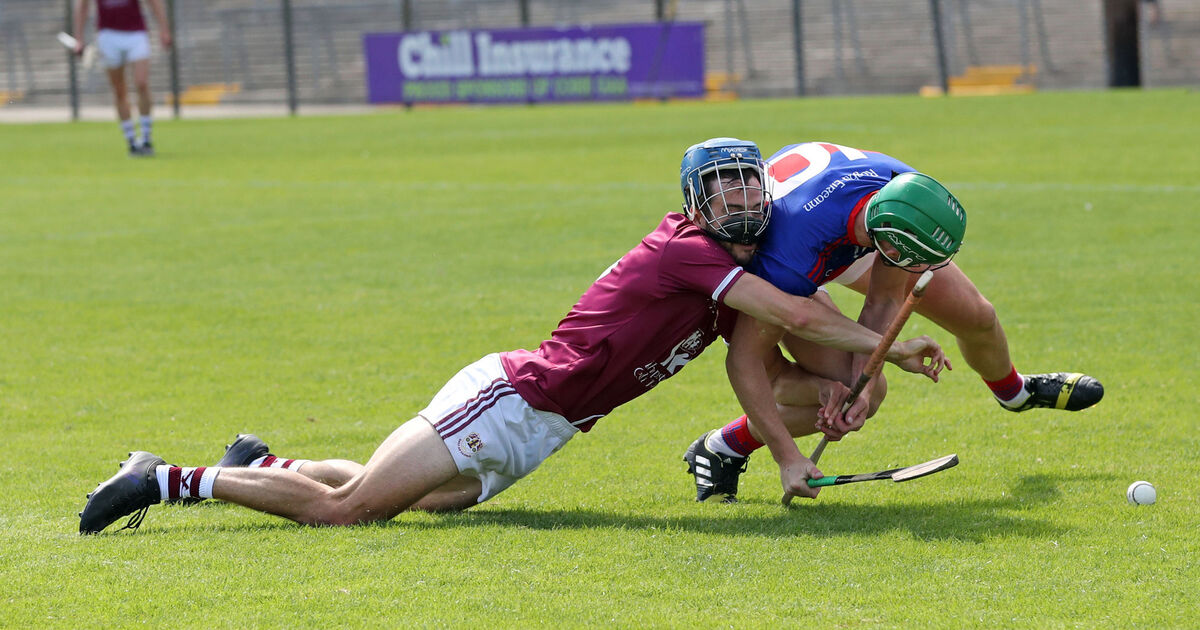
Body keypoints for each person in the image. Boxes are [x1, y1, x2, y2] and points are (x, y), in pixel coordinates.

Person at [78, 138, 951, 534]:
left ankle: (262, 463)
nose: (741, 200)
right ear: (695, 201)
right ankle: (165, 479)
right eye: (720, 189)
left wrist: (834, 404)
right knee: (354, 512)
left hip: (552, 423)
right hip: (517, 396)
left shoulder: (742, 274)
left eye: (747, 185)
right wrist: (900, 351)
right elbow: (800, 317)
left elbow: (769, 360)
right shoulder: (689, 251)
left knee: (432, 503)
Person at [683, 141, 1103, 502]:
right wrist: (792, 450)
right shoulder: (783, 261)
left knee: (977, 317)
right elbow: (749, 363)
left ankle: (1015, 393)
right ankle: (724, 446)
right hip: (800, 248)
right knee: (848, 389)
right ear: (884, 240)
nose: (917, 267)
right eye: (907, 258)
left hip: (850, 222)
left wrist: (861, 385)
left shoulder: (904, 193)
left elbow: (884, 300)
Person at [72, 0, 171, 156]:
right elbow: (82, 5)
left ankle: (146, 139)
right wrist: (78, 38)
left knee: (141, 83)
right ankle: (131, 141)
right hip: (108, 35)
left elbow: (154, 2)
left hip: (136, 32)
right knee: (119, 90)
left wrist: (164, 29)